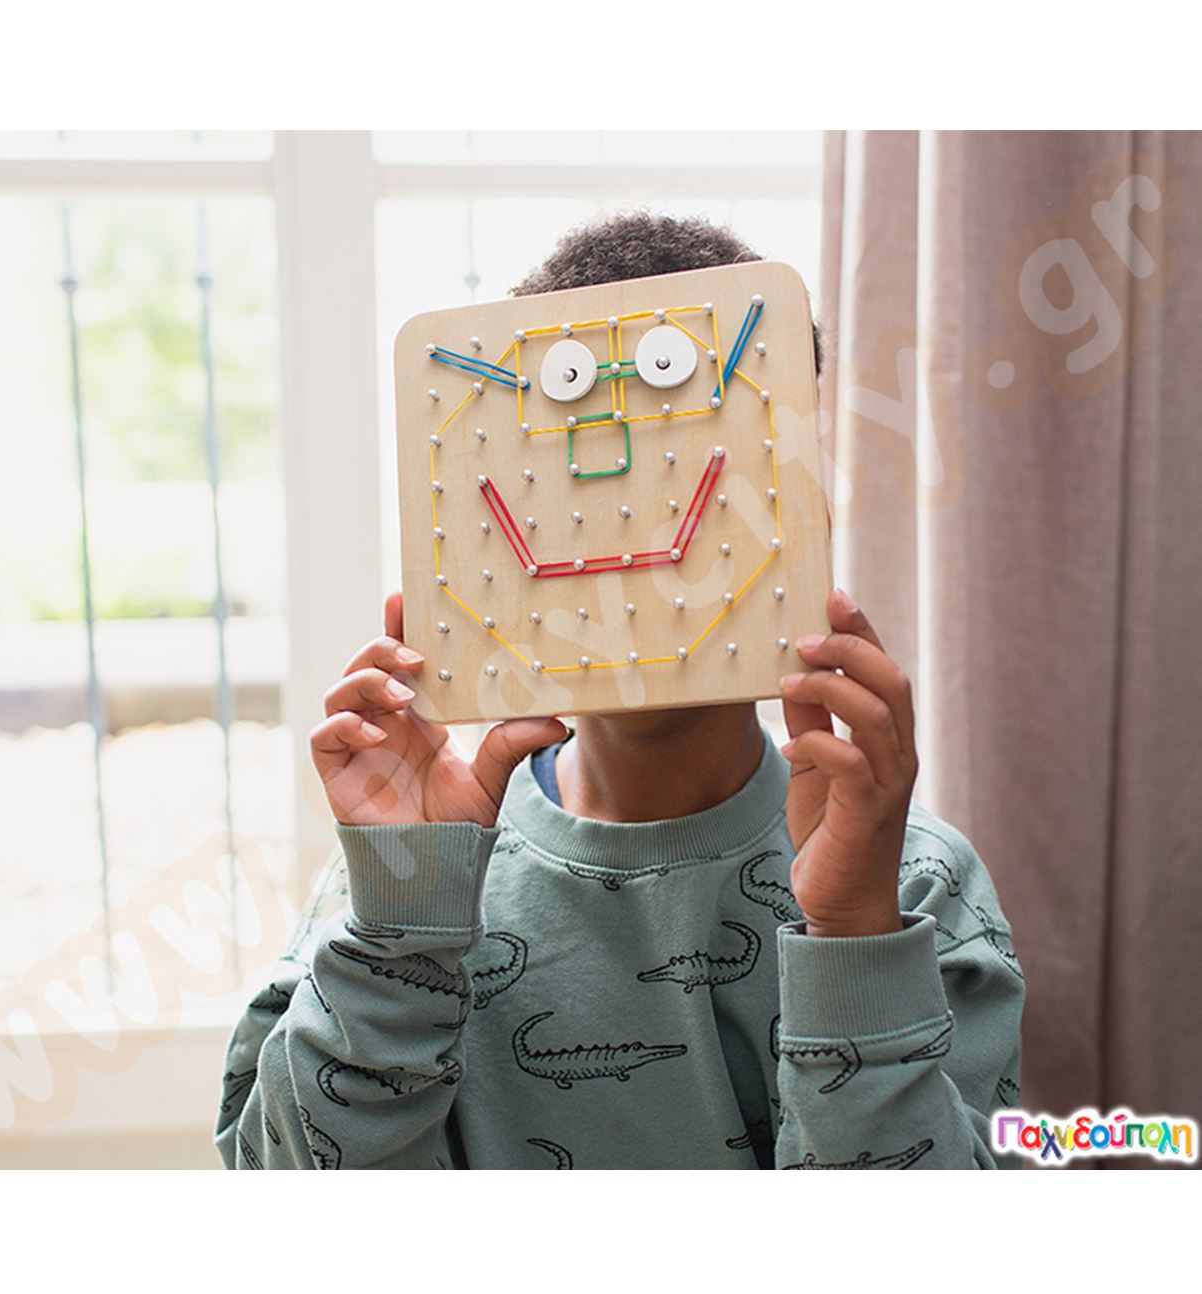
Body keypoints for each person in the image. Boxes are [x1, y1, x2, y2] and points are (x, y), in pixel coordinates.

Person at [215, 213, 1025, 1170]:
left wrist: (853, 932)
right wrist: (400, 933)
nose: (619, 488)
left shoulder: (909, 881)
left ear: (794, 508)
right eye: (565, 458)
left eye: (681, 444)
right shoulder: (407, 874)